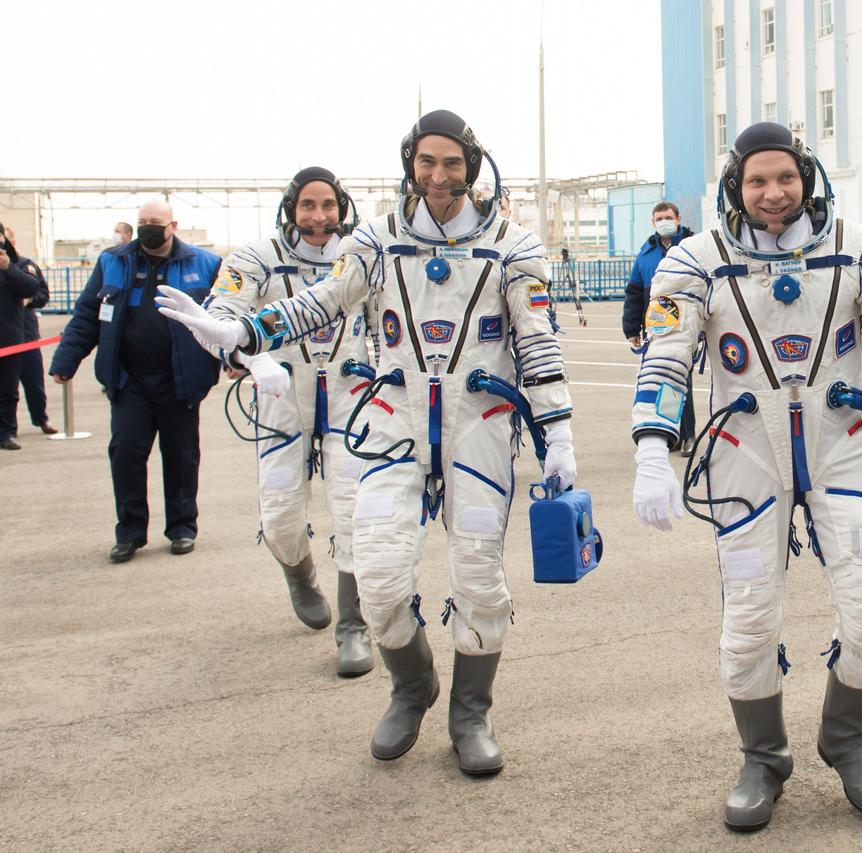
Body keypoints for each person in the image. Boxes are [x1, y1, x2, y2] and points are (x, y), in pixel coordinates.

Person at [157, 110, 578, 769]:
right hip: (391, 425)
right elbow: (321, 301)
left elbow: (538, 342)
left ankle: (471, 713)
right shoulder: (375, 242)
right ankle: (412, 686)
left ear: (472, 166)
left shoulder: (514, 246)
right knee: (378, 575)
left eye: (452, 162)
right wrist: (245, 333)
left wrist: (558, 434)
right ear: (411, 164)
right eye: (427, 161)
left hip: (480, 428)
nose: (438, 175)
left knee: (479, 577)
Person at [629, 122, 862, 830]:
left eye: (785, 177)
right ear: (736, 186)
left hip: (843, 447)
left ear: (807, 177)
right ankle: (763, 757)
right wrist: (651, 450)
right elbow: (665, 355)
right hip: (744, 456)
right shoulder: (695, 260)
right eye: (757, 180)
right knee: (749, 616)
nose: (773, 192)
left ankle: (846, 740)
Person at [202, 167, 374, 677]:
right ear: (290, 209)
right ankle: (299, 575)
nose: (319, 217)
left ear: (342, 208)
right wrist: (251, 359)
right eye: (308, 206)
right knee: (279, 514)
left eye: (328, 205)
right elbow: (219, 317)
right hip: (281, 394)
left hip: (349, 393)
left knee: (354, 511)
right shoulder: (257, 258)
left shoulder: (362, 257)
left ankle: (353, 625)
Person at [49, 200, 221, 561]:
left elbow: (224, 317)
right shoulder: (112, 261)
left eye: (154, 222)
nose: (147, 228)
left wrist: (236, 358)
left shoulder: (204, 264)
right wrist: (66, 360)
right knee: (125, 452)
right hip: (130, 380)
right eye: (142, 222)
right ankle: (129, 532)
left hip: (179, 380)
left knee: (182, 456)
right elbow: (86, 315)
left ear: (173, 225)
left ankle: (182, 528)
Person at [622, 201, 697, 453]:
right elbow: (634, 293)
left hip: (687, 325)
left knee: (680, 378)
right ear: (653, 223)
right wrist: (631, 329)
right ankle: (672, 431)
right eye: (659, 219)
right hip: (657, 328)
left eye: (668, 217)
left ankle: (688, 435)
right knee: (662, 379)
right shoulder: (646, 254)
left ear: (678, 219)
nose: (664, 222)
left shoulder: (694, 247)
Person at [3, 226, 58, 436]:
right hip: (6, 336)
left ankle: (41, 419)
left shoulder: (25, 265)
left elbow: (42, 294)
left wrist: (29, 300)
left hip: (27, 334)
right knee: (7, 386)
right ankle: (8, 428)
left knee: (34, 382)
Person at [0, 222, 46, 450]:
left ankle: (6, 432)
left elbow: (31, 289)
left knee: (9, 388)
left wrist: (8, 267)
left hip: (9, 337)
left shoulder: (17, 264)